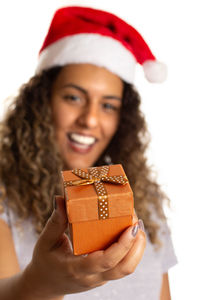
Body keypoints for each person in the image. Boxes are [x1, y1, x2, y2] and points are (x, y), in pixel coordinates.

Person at [0, 6, 177, 300]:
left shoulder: (148, 203)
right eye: (73, 97)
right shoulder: (5, 198)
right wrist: (43, 283)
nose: (90, 120)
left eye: (108, 105)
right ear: (42, 102)